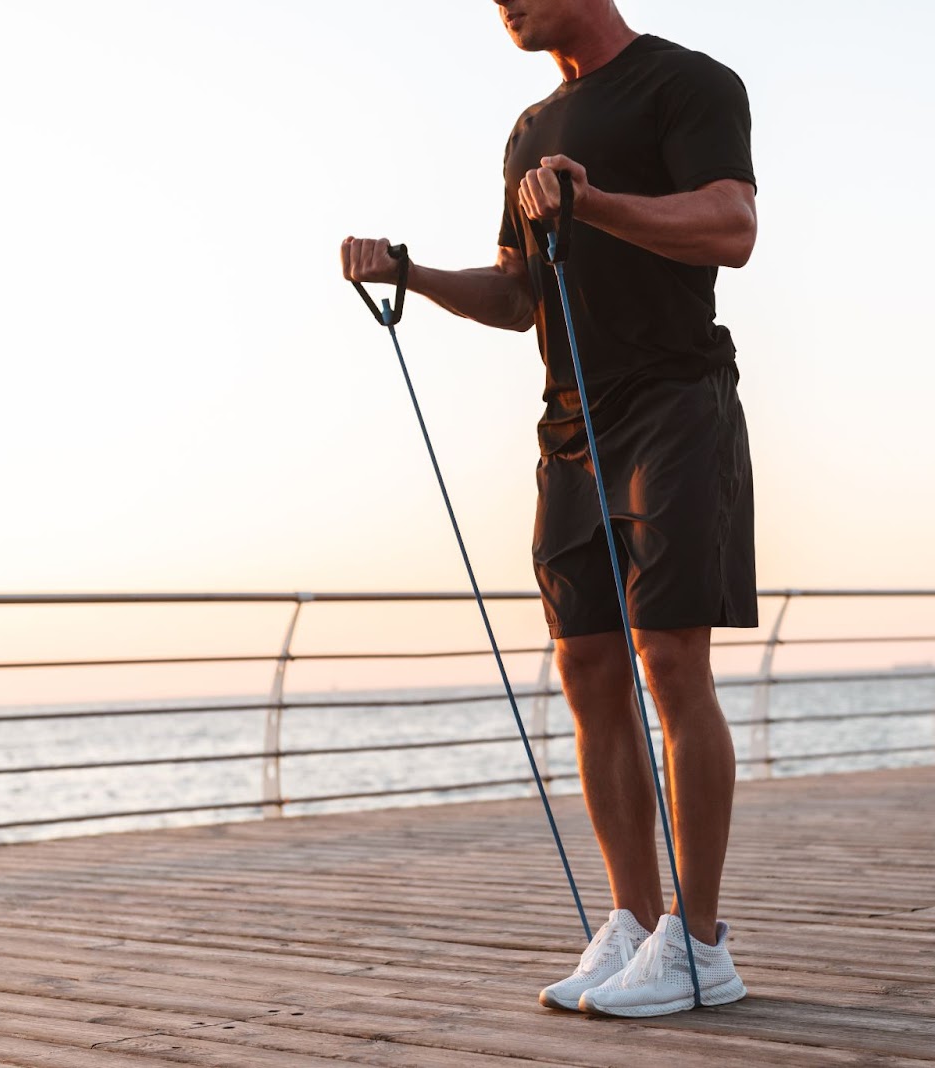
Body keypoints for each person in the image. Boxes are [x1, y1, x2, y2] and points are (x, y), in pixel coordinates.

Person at [341, 0, 756, 1018]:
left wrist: (597, 202)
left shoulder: (688, 83)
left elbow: (732, 228)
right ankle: (631, 924)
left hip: (673, 400)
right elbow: (522, 291)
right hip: (571, 422)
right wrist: (412, 274)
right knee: (586, 666)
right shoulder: (529, 133)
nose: (502, 4)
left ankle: (700, 944)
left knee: (668, 654)